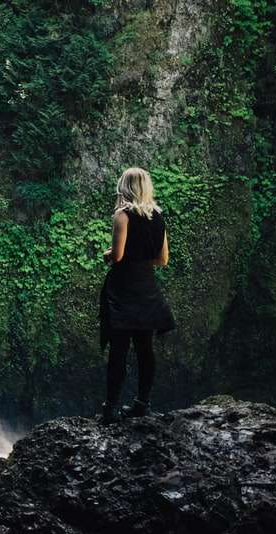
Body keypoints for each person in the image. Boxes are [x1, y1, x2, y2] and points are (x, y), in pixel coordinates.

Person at [98, 167, 176, 424]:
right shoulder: (158, 216)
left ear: (124, 187)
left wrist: (108, 254)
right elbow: (162, 259)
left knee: (118, 351)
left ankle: (110, 409)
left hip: (123, 290)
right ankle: (142, 404)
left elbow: (118, 256)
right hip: (146, 289)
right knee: (145, 350)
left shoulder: (122, 215)